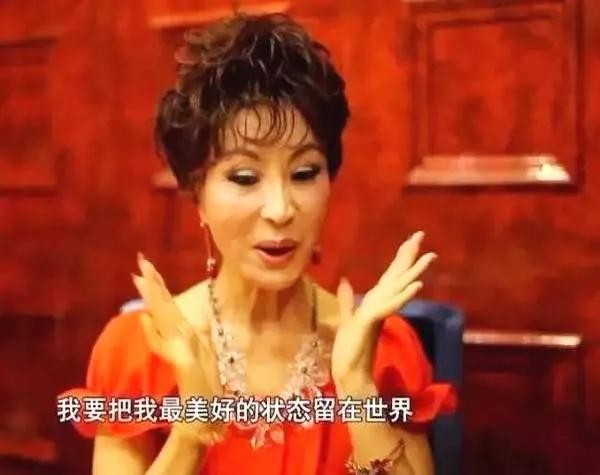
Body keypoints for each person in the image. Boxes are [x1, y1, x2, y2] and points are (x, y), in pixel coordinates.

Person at [59, 13, 457, 475]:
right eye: (245, 177)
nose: (281, 209)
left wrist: (357, 389)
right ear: (198, 193)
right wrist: (191, 433)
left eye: (304, 173)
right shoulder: (137, 353)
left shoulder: (385, 350)